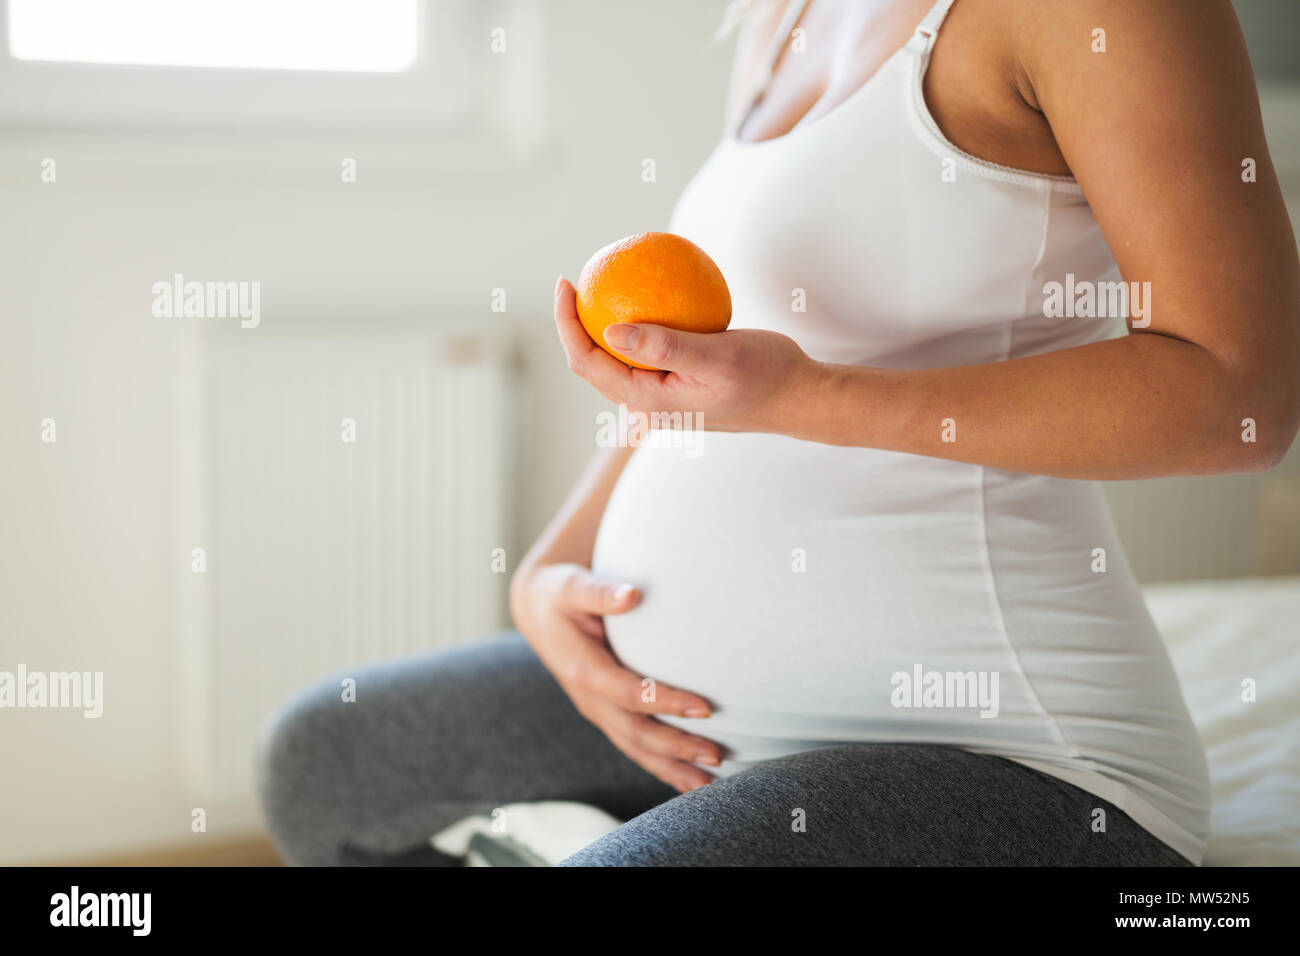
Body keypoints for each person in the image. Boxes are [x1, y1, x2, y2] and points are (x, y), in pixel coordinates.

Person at [258, 0, 1299, 865]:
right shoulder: (782, 15)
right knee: (328, 760)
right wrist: (550, 567)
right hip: (703, 724)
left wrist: (805, 397)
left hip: (1012, 758)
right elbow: (703, 377)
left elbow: (1237, 398)